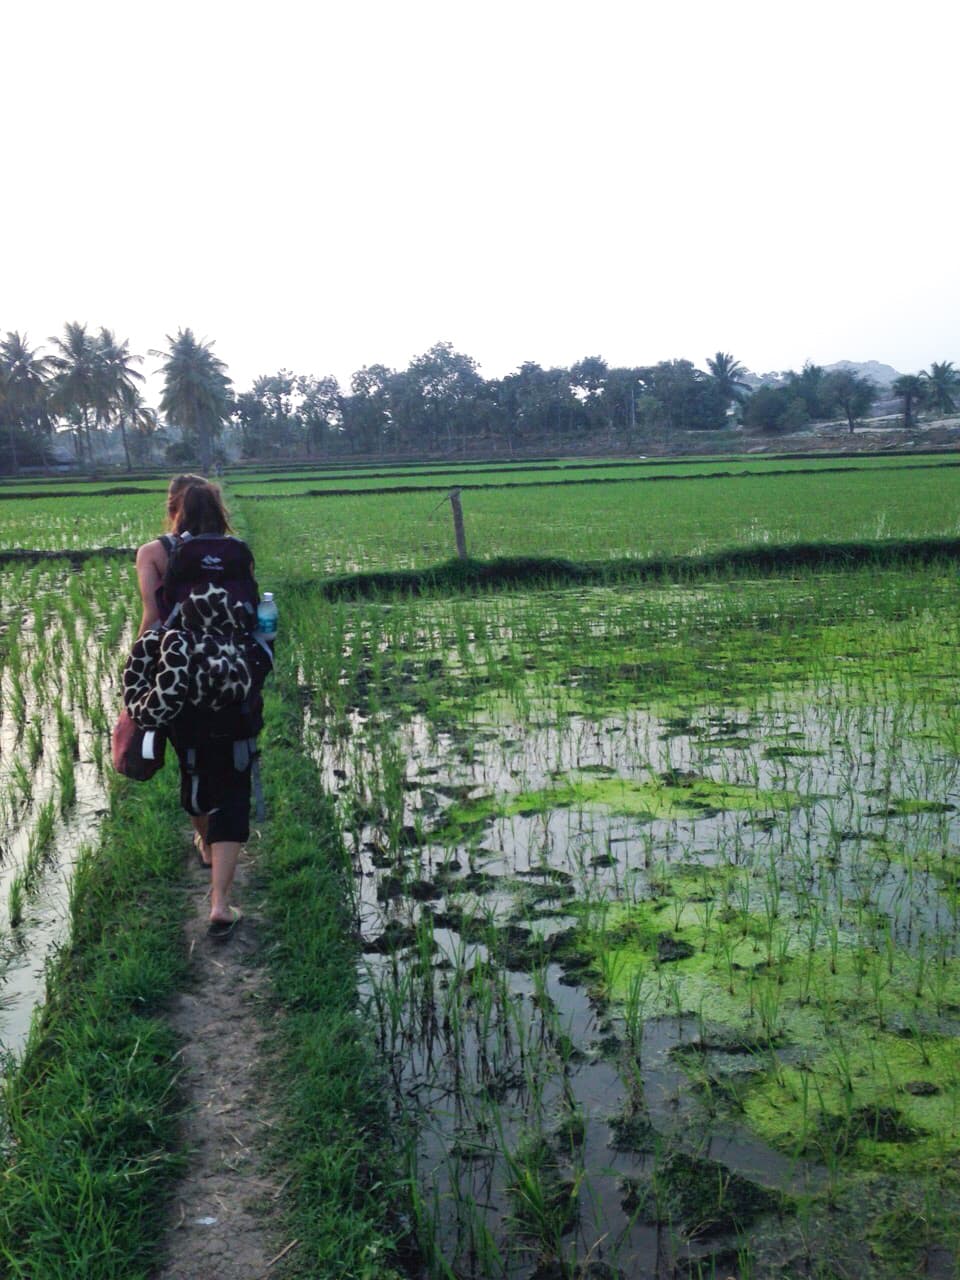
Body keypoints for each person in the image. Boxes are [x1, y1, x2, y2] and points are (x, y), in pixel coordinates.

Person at [135, 475, 257, 936]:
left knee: (193, 768)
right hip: (233, 685)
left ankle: (203, 843)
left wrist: (140, 675)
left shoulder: (157, 553)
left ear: (175, 509)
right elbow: (255, 622)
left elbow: (153, 618)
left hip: (182, 682)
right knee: (234, 784)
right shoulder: (236, 552)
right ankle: (221, 903)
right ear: (219, 509)